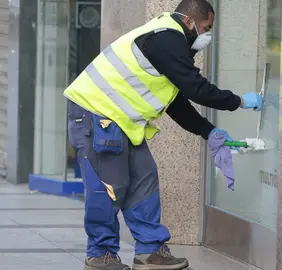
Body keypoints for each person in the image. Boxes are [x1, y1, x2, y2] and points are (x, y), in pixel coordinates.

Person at [64, 0, 264, 269]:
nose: (208, 34)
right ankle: (100, 254)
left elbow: (176, 103)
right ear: (190, 22)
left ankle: (150, 251)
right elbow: (196, 89)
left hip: (121, 121)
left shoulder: (169, 44)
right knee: (109, 187)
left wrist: (209, 131)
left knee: (144, 181)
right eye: (207, 27)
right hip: (95, 115)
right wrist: (239, 101)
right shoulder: (165, 39)